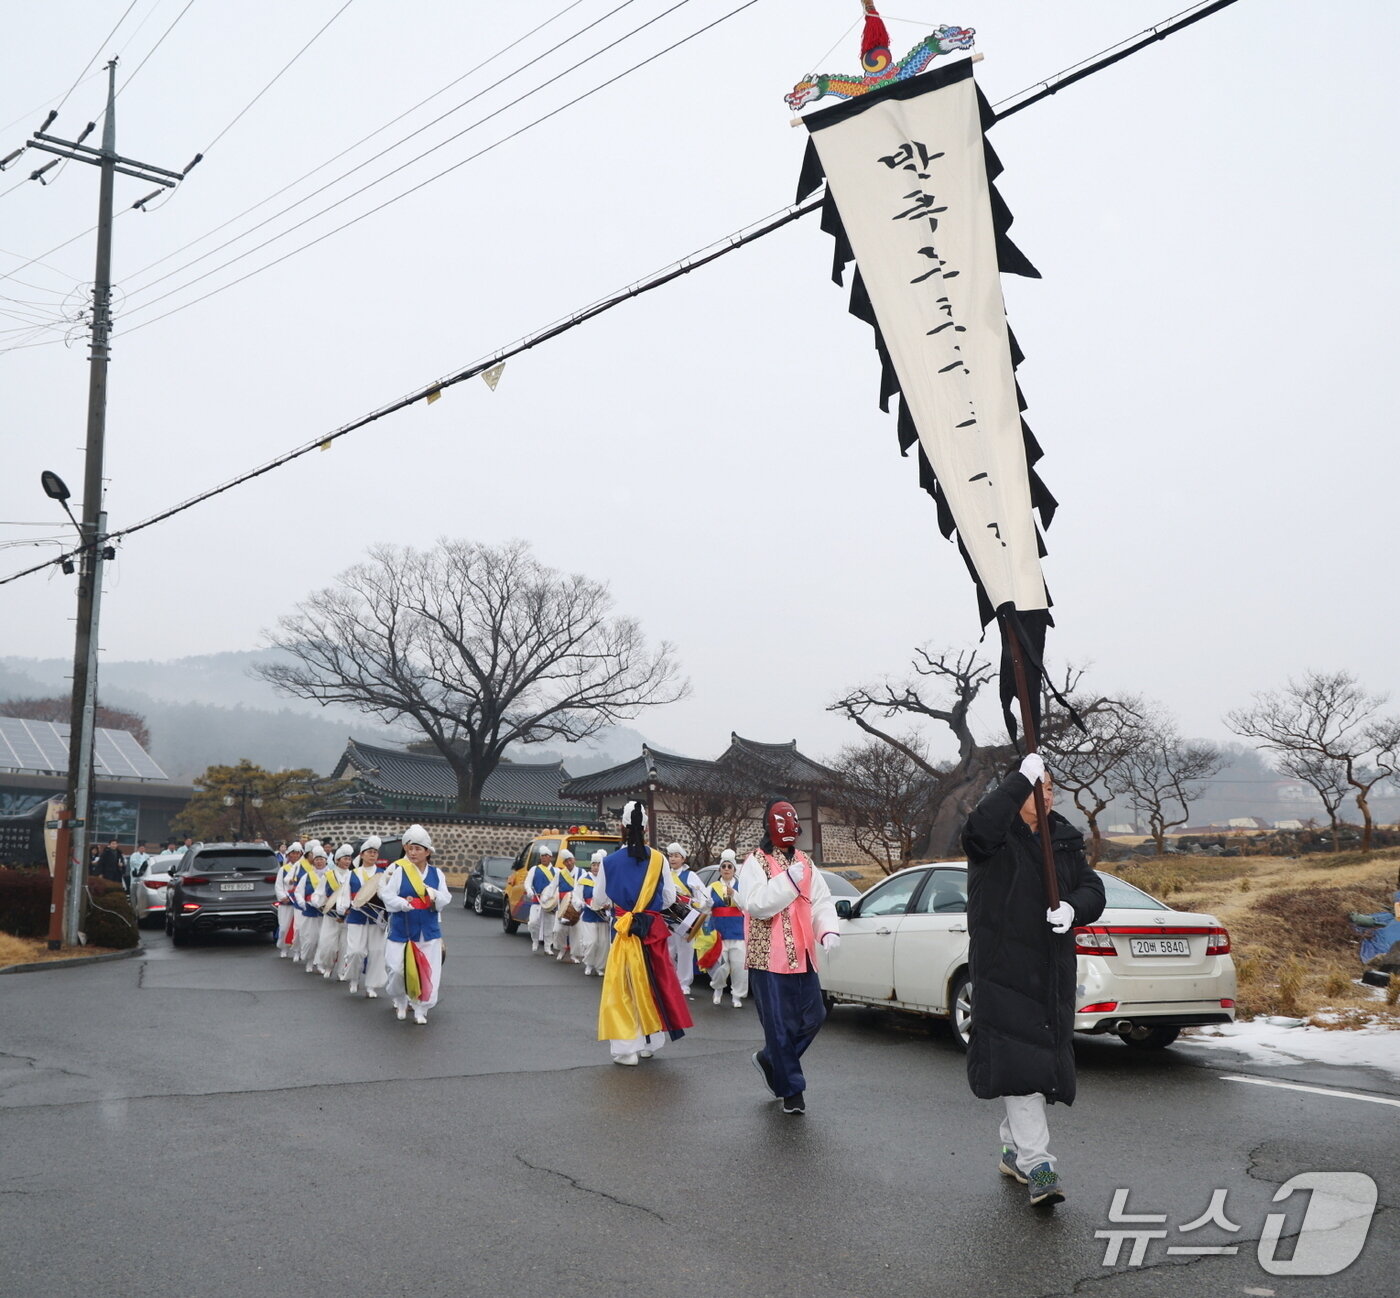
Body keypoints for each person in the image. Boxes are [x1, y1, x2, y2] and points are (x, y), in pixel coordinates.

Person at [962, 754, 1106, 1209]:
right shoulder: (994, 836)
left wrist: (1074, 908)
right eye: (1039, 786)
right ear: (1018, 790)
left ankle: (1012, 1147)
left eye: (1050, 786)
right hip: (1004, 968)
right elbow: (977, 830)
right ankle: (1039, 1164)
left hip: (1051, 971)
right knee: (1022, 1068)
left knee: (1032, 1068)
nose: (1049, 794)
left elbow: (1092, 888)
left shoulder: (1062, 836)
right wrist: (1015, 781)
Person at [738, 799, 839, 1116]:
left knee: (814, 1017)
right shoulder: (755, 862)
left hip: (803, 955)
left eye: (792, 821)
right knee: (779, 1027)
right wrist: (788, 881)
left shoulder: (807, 863)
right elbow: (756, 904)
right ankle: (792, 1090)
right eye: (782, 822)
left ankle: (772, 1060)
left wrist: (828, 930)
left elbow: (820, 901)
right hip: (769, 957)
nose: (789, 828)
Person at [593, 803, 693, 1064]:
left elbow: (599, 898)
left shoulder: (609, 862)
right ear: (646, 827)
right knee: (653, 983)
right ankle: (651, 1042)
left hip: (625, 932)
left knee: (624, 987)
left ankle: (628, 1049)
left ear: (622, 828)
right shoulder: (659, 859)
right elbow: (669, 897)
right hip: (652, 931)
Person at [381, 824, 452, 1024]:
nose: (413, 852)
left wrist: (433, 894)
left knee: (426, 971)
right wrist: (401, 903)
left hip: (427, 930)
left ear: (427, 852)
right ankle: (400, 999)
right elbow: (387, 895)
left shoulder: (437, 874)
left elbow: (445, 898)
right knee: (396, 969)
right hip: (401, 929)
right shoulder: (399, 871)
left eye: (418, 848)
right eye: (410, 848)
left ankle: (421, 1009)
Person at [338, 836, 388, 995]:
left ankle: (371, 986)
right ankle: (353, 978)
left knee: (376, 951)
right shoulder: (352, 874)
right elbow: (344, 895)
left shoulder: (383, 874)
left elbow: (388, 895)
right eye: (369, 852)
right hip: (356, 918)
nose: (373, 855)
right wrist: (343, 908)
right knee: (355, 951)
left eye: (375, 852)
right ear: (362, 855)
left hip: (376, 919)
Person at [666, 842, 711, 998]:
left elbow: (703, 896)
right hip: (668, 917)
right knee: (669, 950)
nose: (673, 859)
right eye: (670, 856)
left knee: (685, 950)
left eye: (676, 856)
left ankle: (684, 983)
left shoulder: (690, 876)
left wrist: (691, 902)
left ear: (683, 858)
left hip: (685, 918)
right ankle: (670, 980)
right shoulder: (664, 874)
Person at [706, 851, 748, 1008]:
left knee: (739, 966)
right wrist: (706, 903)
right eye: (723, 866)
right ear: (720, 869)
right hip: (719, 932)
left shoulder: (741, 886)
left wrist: (734, 894)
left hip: (738, 932)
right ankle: (718, 988)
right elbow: (704, 906)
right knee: (720, 966)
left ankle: (737, 995)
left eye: (729, 866)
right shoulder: (712, 887)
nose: (726, 869)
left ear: (734, 869)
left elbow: (746, 905)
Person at [311, 845, 353, 978]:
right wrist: (319, 903)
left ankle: (341, 971)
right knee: (328, 946)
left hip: (347, 917)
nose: (347, 862)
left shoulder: (353, 875)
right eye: (345, 859)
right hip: (331, 917)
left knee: (344, 946)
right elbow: (318, 894)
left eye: (349, 859)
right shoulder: (328, 876)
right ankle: (328, 965)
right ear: (337, 860)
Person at [574, 849, 611, 976]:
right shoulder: (584, 878)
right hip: (589, 914)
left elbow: (610, 896)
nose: (596, 867)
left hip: (602, 916)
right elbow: (576, 895)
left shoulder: (606, 879)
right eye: (594, 865)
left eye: (598, 865)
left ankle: (600, 966)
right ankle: (589, 964)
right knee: (591, 941)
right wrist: (580, 903)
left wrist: (609, 905)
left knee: (603, 943)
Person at [295, 842, 329, 971]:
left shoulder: (330, 875)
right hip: (309, 913)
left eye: (321, 859)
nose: (319, 862)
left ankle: (319, 963)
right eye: (317, 859)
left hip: (325, 915)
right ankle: (309, 960)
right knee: (310, 940)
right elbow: (298, 892)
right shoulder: (307, 876)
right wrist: (302, 903)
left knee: (323, 940)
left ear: (326, 861)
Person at [543, 849, 580, 963]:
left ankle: (574, 954)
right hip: (562, 907)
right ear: (563, 863)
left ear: (574, 860)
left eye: (570, 860)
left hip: (576, 907)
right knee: (559, 930)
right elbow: (552, 887)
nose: (568, 863)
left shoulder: (581, 872)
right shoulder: (560, 873)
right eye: (566, 861)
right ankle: (562, 948)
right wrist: (545, 898)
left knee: (575, 932)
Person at [523, 845, 557, 954]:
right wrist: (530, 891)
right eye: (542, 856)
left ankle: (547, 946)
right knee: (533, 922)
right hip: (536, 901)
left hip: (549, 903)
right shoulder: (534, 869)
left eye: (546, 856)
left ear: (550, 857)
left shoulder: (556, 871)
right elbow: (527, 883)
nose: (543, 858)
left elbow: (557, 887)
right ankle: (535, 940)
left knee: (549, 924)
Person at [274, 841, 304, 957]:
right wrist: (283, 897)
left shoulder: (303, 869)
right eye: (293, 854)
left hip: (298, 903)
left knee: (298, 928)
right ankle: (283, 947)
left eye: (298, 854)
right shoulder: (284, 869)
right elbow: (278, 885)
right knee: (284, 927)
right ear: (289, 855)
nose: (295, 856)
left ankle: (297, 950)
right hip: (286, 902)